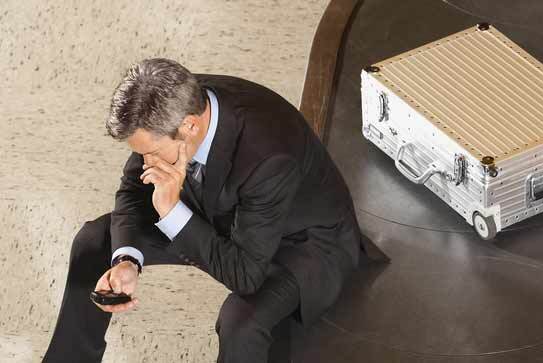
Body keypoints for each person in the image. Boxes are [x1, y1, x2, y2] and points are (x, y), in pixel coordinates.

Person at [42, 57, 374, 362]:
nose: (146, 164)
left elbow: (245, 275)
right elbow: (132, 188)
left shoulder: (269, 156)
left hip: (300, 241)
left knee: (240, 322)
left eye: (153, 153)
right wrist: (127, 260)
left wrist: (172, 213)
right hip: (222, 211)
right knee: (94, 241)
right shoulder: (168, 103)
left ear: (189, 126)